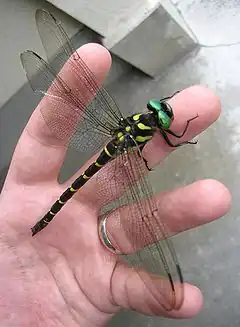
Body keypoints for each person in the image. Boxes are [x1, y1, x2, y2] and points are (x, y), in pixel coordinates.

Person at [0, 43, 231, 326]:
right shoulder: (156, 134)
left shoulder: (128, 123)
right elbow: (176, 136)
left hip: (119, 142)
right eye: (159, 110)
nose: (160, 110)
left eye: (160, 113)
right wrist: (183, 132)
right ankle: (45, 220)